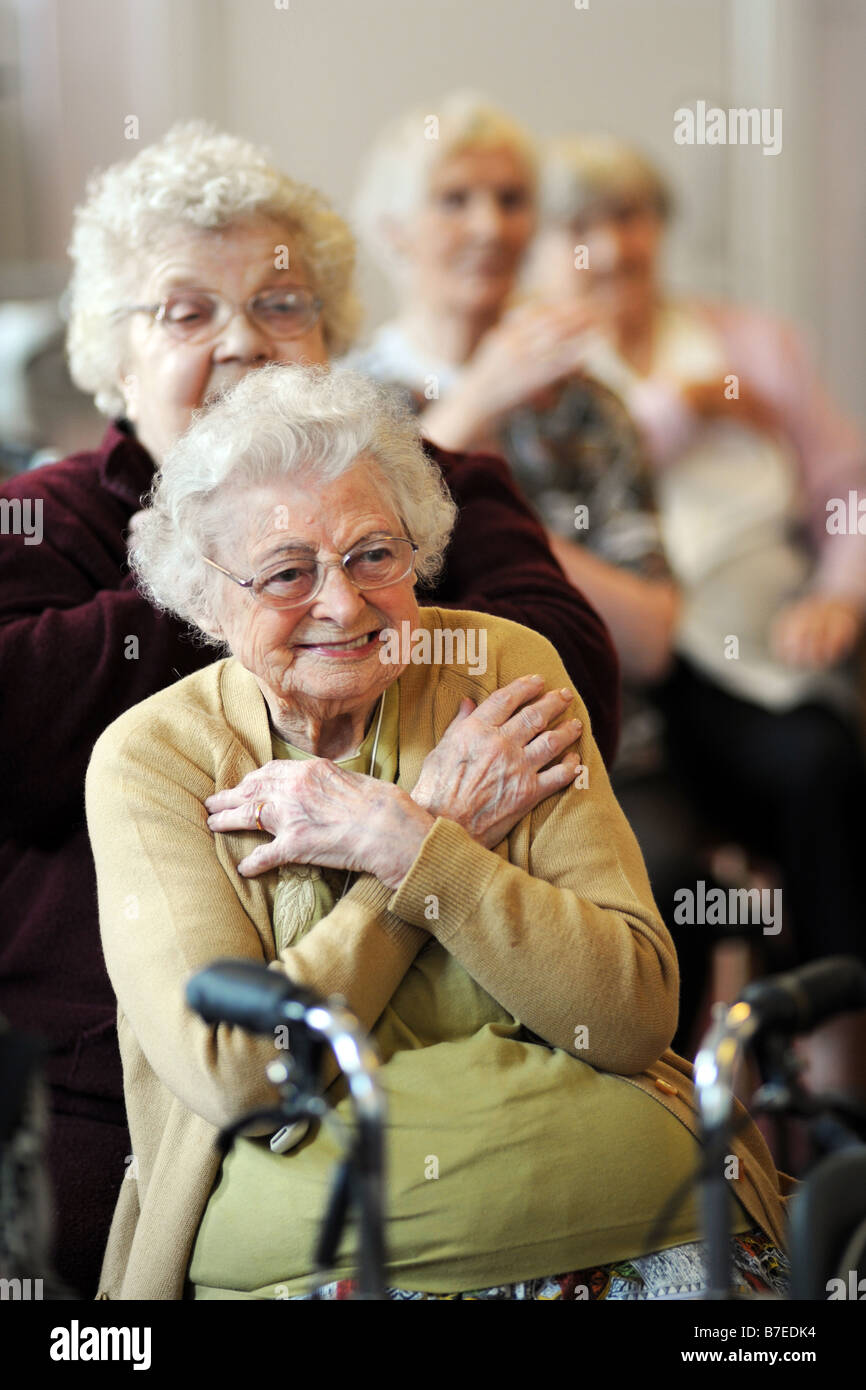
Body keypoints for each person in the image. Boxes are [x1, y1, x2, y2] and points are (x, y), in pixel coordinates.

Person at [0, 122, 619, 1299]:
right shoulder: (39, 519)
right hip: (113, 1045)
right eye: (185, 313)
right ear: (111, 361)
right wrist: (257, 579)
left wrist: (294, 576)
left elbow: (565, 687)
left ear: (330, 337)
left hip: (466, 1020)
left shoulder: (435, 486)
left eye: (280, 305)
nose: (240, 342)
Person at [85, 364, 792, 1300]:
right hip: (324, 1260)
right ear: (206, 600)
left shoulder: (500, 670)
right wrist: (422, 845)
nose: (342, 603)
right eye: (287, 573)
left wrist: (401, 840)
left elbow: (628, 1013)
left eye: (375, 554)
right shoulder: (155, 758)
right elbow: (245, 1075)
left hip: (639, 1229)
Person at [347, 95, 725, 1054]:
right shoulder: (342, 403)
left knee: (679, 878)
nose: (489, 225)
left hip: (596, 748)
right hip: (403, 759)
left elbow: (648, 636)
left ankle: (668, 1141)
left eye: (511, 199)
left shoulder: (587, 403)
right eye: (454, 198)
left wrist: (517, 524)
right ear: (394, 232)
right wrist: (470, 417)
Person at [528, 132, 866, 1096]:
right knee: (783, 781)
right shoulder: (545, 373)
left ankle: (838, 1057)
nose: (611, 246)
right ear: (543, 250)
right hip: (655, 669)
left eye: (631, 217)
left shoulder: (754, 344)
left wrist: (838, 594)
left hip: (784, 637)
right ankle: (697, 1097)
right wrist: (681, 408)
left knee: (825, 769)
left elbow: (847, 491)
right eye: (579, 225)